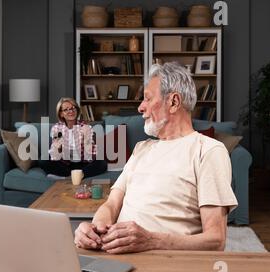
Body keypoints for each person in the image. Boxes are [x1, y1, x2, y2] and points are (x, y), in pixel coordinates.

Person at [74, 62, 238, 253]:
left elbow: (216, 240)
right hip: (114, 255)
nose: (140, 108)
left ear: (174, 102)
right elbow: (111, 204)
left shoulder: (208, 151)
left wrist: (151, 241)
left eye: (147, 99)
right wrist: (95, 230)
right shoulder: (141, 149)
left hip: (162, 264)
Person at [39, 97, 107, 178]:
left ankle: (74, 176)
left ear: (77, 110)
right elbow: (55, 157)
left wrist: (86, 142)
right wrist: (57, 148)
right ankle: (72, 175)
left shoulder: (86, 127)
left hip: (83, 164)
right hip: (65, 164)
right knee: (43, 161)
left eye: (73, 108)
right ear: (61, 114)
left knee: (102, 163)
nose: (70, 111)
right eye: (66, 109)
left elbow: (90, 157)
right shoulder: (57, 128)